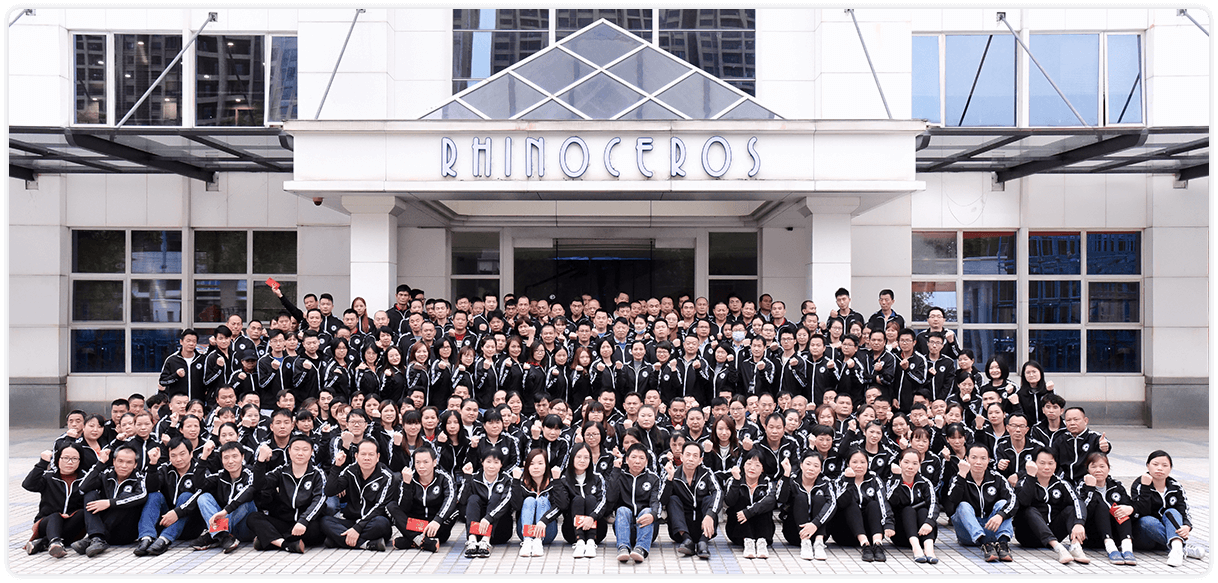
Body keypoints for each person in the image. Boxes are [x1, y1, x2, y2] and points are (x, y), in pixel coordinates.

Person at [247, 434, 327, 553]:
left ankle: (270, 540)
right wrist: (260, 462)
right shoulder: (281, 471)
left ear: (311, 452)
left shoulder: (318, 474)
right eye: (296, 449)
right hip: (284, 521)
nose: (300, 453)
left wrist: (303, 521)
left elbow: (319, 499)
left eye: (305, 450)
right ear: (289, 451)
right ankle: (285, 544)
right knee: (253, 518)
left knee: (318, 529)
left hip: (306, 524)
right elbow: (259, 485)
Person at [133, 436, 207, 557]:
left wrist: (177, 512)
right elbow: (151, 488)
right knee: (154, 496)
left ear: (191, 453)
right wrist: (152, 464)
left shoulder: (199, 470)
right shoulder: (165, 469)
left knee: (186, 496)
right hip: (166, 520)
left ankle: (164, 540)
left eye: (182, 454)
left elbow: (201, 492)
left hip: (190, 524)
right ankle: (146, 538)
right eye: (173, 455)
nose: (178, 459)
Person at [76, 445, 155, 558]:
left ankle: (96, 538)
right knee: (90, 494)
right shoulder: (106, 474)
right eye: (120, 461)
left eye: (129, 462)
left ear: (135, 464)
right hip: (104, 528)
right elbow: (83, 487)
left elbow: (142, 496)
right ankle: (96, 538)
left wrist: (110, 503)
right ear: (114, 461)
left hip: (125, 532)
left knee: (124, 498)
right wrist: (100, 463)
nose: (123, 466)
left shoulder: (138, 478)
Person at [1012, 448, 1088, 565]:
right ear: (1034, 464)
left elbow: (1077, 501)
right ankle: (1059, 549)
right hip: (1028, 536)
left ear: (1056, 465)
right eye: (1042, 463)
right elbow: (1023, 502)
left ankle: (1075, 546)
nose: (1047, 467)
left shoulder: (1062, 484)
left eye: (1050, 463)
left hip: (1054, 532)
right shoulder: (1024, 482)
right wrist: (1031, 477)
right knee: (1029, 510)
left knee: (1071, 509)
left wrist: (1079, 523)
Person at [1131, 450, 1205, 566]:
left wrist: (1187, 526)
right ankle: (1182, 547)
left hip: (1165, 537)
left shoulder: (1175, 487)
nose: (1160, 468)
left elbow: (1183, 510)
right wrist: (1145, 487)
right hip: (1144, 536)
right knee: (1147, 520)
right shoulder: (1140, 484)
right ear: (1147, 466)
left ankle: (1176, 548)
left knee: (1172, 511)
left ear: (1170, 468)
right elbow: (1141, 511)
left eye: (1165, 465)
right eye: (1155, 464)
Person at [944, 443, 1016, 562]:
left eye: (983, 458)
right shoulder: (958, 478)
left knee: (1003, 503)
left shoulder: (997, 478)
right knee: (963, 505)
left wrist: (1000, 515)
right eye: (974, 458)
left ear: (989, 460)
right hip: (968, 534)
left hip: (991, 529)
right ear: (966, 459)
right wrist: (962, 475)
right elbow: (952, 501)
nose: (978, 462)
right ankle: (986, 545)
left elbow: (1013, 500)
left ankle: (1003, 545)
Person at [322, 438, 395, 551]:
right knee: (325, 521)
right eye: (363, 454)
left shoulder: (387, 476)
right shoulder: (350, 471)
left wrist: (357, 528)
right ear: (356, 456)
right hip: (352, 521)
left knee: (382, 524)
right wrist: (336, 467)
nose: (367, 458)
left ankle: (338, 540)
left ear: (378, 457)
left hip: (373, 522)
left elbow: (380, 507)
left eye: (371, 454)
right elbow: (330, 491)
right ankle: (366, 544)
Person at [826, 448, 891, 562]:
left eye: (862, 462)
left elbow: (883, 503)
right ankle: (865, 545)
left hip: (870, 532)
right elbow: (841, 503)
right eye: (854, 462)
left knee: (873, 504)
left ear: (868, 463)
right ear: (848, 464)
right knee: (851, 504)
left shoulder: (874, 478)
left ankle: (877, 545)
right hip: (845, 533)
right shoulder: (840, 480)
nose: (859, 466)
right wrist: (849, 481)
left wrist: (889, 524)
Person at [189, 442, 256, 553]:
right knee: (203, 497)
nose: (230, 461)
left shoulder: (250, 474)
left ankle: (214, 534)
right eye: (226, 458)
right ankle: (223, 536)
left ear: (242, 457)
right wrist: (204, 457)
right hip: (226, 525)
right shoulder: (220, 476)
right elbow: (199, 484)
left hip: (244, 527)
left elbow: (247, 493)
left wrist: (225, 511)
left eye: (235, 456)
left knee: (244, 502)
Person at [389, 446, 458, 552]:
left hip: (437, 527)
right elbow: (403, 508)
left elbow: (451, 498)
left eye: (426, 462)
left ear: (434, 462)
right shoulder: (409, 478)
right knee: (391, 507)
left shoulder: (444, 477)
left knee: (455, 510)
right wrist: (406, 485)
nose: (421, 466)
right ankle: (421, 540)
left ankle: (411, 540)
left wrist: (437, 520)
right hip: (416, 525)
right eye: (418, 462)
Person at [23, 445, 87, 558]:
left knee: (82, 514)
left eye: (74, 459)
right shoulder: (49, 477)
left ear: (80, 461)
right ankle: (54, 542)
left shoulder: (85, 479)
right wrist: (42, 463)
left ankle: (43, 543)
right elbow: (28, 485)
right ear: (58, 459)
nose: (70, 462)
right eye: (65, 458)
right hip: (47, 522)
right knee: (55, 517)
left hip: (70, 524)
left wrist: (70, 515)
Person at [664, 441, 722, 560]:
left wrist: (710, 515)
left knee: (708, 499)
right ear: (681, 457)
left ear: (700, 460)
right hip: (681, 529)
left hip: (704, 526)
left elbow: (719, 492)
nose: (691, 459)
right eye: (688, 455)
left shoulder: (706, 473)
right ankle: (687, 541)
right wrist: (669, 480)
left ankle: (703, 542)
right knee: (672, 499)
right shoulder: (673, 474)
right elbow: (663, 501)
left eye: (695, 456)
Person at [1077, 452, 1136, 565]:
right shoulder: (1083, 486)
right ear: (1087, 469)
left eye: (1102, 466)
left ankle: (1127, 549)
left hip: (1117, 533)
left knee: (1122, 509)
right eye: (1093, 466)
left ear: (1108, 469)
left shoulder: (1116, 485)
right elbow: (1083, 511)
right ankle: (1111, 549)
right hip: (1094, 535)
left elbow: (1130, 506)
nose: (1098, 470)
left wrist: (1130, 508)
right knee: (1102, 506)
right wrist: (1090, 488)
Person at [609, 443, 663, 563]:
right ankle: (623, 547)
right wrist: (616, 470)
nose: (637, 461)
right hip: (623, 528)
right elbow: (610, 498)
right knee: (622, 509)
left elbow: (656, 501)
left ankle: (641, 549)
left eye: (641, 458)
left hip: (647, 528)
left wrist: (653, 516)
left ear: (646, 461)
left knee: (647, 510)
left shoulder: (653, 479)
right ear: (626, 460)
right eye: (633, 457)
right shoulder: (620, 475)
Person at [778, 450, 836, 561]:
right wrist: (786, 474)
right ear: (801, 465)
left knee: (820, 499)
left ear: (820, 469)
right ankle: (805, 542)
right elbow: (781, 498)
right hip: (794, 533)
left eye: (816, 465)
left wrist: (815, 524)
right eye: (808, 464)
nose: (811, 468)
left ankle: (819, 544)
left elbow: (832, 504)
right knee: (800, 497)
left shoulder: (825, 483)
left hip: (819, 532)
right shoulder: (792, 480)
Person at [460, 448, 516, 557]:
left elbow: (506, 502)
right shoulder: (474, 478)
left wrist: (489, 518)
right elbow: (462, 500)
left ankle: (486, 541)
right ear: (482, 462)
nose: (491, 466)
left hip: (500, 530)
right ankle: (472, 540)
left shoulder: (507, 480)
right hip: (477, 530)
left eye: (496, 462)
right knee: (473, 499)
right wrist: (467, 477)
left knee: (496, 498)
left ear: (501, 464)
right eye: (488, 461)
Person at [887, 448, 939, 563]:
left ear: (920, 465)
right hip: (902, 534)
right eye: (906, 462)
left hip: (925, 532)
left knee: (923, 511)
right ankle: (916, 549)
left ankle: (929, 550)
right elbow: (891, 502)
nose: (910, 467)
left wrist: (929, 522)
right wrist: (897, 479)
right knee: (908, 510)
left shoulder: (925, 483)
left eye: (915, 463)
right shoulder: (891, 482)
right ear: (899, 463)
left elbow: (934, 503)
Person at [516, 448, 559, 556]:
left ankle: (538, 541)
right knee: (529, 500)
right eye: (532, 464)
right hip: (524, 531)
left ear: (546, 466)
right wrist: (515, 483)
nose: (536, 467)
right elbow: (515, 506)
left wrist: (543, 521)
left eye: (540, 463)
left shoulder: (553, 483)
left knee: (542, 500)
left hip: (547, 531)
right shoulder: (522, 483)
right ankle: (527, 541)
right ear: (527, 467)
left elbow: (561, 506)